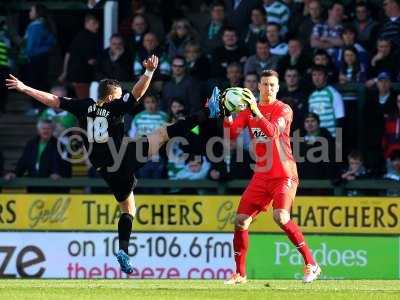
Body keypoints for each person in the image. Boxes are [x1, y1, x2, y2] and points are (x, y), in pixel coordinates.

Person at [6, 55, 218, 275]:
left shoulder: (84, 106)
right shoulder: (114, 107)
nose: (120, 99)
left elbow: (54, 100)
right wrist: (148, 72)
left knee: (128, 209)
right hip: (122, 156)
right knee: (164, 133)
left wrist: (24, 88)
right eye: (117, 96)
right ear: (109, 98)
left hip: (104, 169)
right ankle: (207, 112)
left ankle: (123, 250)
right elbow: (137, 93)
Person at [211, 70, 320, 284]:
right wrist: (227, 115)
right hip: (261, 176)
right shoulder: (249, 111)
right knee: (240, 221)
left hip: (284, 174)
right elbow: (231, 135)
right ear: (258, 87)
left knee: (281, 217)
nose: (268, 88)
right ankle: (240, 274)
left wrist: (255, 112)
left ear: (278, 88)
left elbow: (272, 132)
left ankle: (311, 263)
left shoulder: (284, 109)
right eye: (265, 84)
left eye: (272, 85)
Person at [3, 119, 69, 192]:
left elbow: (65, 166)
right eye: (43, 128)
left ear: (53, 130)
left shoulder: (60, 146)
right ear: (38, 130)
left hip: (52, 189)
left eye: (49, 129)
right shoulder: (31, 144)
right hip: (33, 188)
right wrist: (14, 173)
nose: (46, 131)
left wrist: (57, 173)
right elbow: (23, 162)